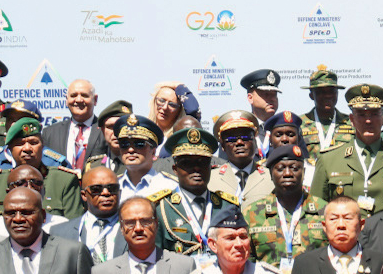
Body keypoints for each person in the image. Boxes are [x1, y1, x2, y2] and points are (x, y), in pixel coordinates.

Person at [0, 115, 86, 220]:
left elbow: (73, 227)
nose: (27, 148)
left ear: (42, 146)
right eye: (20, 143)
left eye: (33, 142)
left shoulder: (64, 181)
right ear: (9, 149)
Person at [154, 128, 240, 259]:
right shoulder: (161, 208)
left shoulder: (228, 206)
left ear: (210, 167)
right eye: (187, 163)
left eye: (202, 162)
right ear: (175, 169)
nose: (196, 168)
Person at [311, 84, 383, 208]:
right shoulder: (328, 160)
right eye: (361, 115)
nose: (368, 120)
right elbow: (316, 208)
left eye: (374, 114)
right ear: (352, 119)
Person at [244, 143, 325, 274]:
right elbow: (247, 261)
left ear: (304, 172)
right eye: (280, 169)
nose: (288, 173)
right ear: (270, 174)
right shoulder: (251, 213)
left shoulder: (324, 210)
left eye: (294, 168)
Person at [54, 167, 125, 263]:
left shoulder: (133, 228)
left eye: (112, 188)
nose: (106, 193)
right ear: (84, 195)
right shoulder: (60, 232)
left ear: (119, 193)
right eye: (96, 189)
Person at [209, 110, 272, 207]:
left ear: (255, 141)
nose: (239, 143)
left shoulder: (271, 177)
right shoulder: (210, 179)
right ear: (222, 146)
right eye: (231, 139)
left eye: (245, 137)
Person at [110, 114, 176, 202]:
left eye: (139, 144)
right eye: (124, 144)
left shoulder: (170, 186)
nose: (130, 149)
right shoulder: (111, 187)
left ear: (153, 150)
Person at [300, 68, 352, 152]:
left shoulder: (351, 123)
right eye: (321, 92)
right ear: (311, 95)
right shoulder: (299, 124)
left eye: (331, 91)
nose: (328, 96)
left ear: (337, 94)